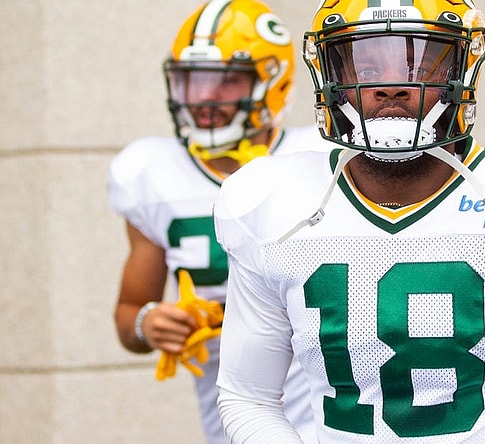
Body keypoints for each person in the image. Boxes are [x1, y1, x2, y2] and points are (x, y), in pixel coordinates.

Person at [213, 1, 485, 442]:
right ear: (331, 77)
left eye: (419, 64)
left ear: (463, 71)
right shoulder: (269, 202)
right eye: (368, 67)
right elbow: (247, 396)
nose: (391, 87)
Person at [107, 1, 330, 443]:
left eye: (226, 80)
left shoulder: (322, 158)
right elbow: (129, 317)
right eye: (192, 80)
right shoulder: (150, 172)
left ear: (274, 81)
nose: (204, 98)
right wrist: (150, 322)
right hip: (231, 420)